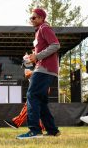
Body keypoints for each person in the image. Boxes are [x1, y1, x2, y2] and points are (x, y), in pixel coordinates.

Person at [16, 8, 61, 139]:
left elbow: (55, 45)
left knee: (32, 95)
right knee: (40, 101)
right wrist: (33, 56)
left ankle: (34, 130)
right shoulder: (40, 31)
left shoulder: (44, 28)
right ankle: (52, 130)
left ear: (41, 18)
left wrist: (38, 56)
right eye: (31, 17)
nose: (32, 19)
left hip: (45, 69)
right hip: (45, 68)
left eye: (34, 17)